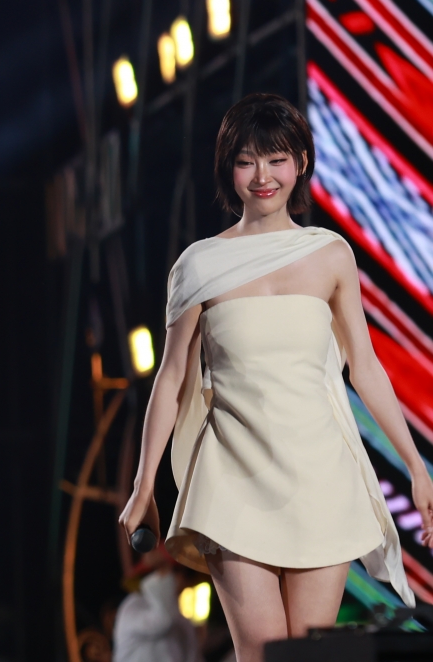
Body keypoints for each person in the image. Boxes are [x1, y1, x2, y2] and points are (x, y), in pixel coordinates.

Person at [118, 93, 433, 662]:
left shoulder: (329, 254)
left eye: (277, 159)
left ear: (301, 162)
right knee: (261, 654)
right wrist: (144, 486)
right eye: (246, 161)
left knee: (306, 657)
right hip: (233, 474)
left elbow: (364, 367)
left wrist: (416, 466)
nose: (262, 176)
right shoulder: (198, 264)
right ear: (228, 169)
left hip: (319, 475)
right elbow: (171, 379)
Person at [111, 552, 199, 662]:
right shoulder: (132, 606)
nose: (181, 577)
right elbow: (162, 621)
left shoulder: (180, 618)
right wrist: (163, 573)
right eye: (175, 570)